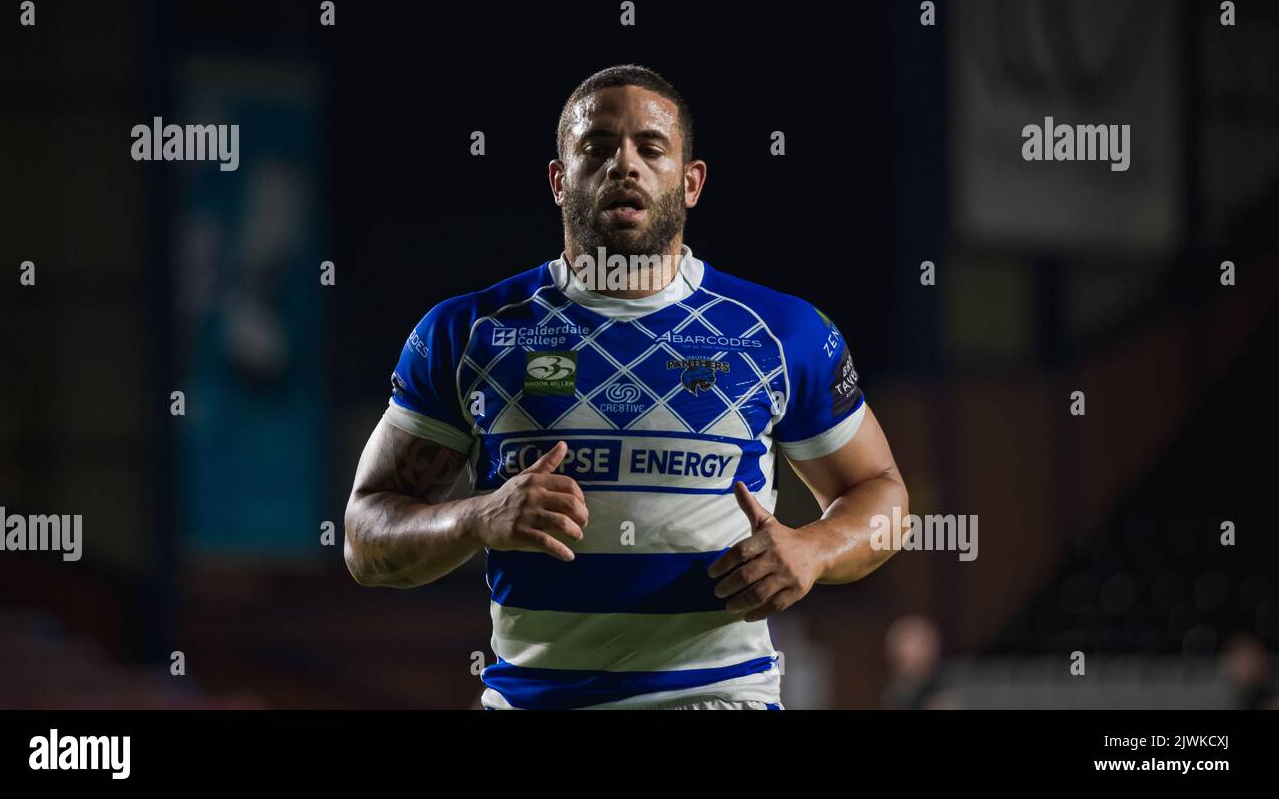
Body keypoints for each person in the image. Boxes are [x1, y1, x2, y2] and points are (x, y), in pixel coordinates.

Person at [343, 64, 908, 709]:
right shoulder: (467, 333)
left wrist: (814, 548)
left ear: (691, 183)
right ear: (559, 180)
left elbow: (882, 495)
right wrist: (478, 517)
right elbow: (364, 539)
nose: (624, 165)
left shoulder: (781, 333)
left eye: (651, 147)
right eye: (597, 147)